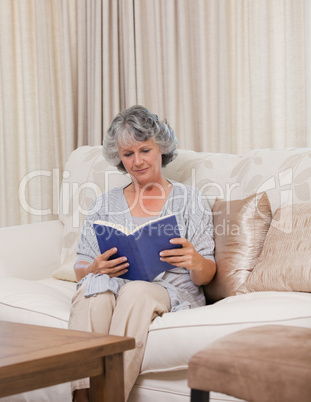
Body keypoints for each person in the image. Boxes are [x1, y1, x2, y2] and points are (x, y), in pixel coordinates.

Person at [69, 105, 216, 402]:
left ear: (160, 148)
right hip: (115, 283)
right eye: (128, 154)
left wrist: (195, 261)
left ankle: (107, 398)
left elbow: (207, 272)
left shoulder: (190, 200)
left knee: (136, 291)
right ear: (119, 158)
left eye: (144, 150)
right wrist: (94, 268)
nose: (137, 161)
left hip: (169, 290)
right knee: (94, 289)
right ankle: (81, 397)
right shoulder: (104, 203)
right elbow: (81, 264)